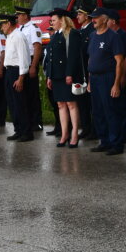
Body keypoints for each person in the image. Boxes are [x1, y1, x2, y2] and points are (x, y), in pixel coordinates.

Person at [87, 7, 126, 156]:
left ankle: (116, 143)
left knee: (111, 110)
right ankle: (104, 141)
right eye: (92, 17)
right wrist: (90, 80)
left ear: (104, 19)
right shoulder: (92, 36)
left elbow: (119, 61)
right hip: (95, 78)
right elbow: (91, 58)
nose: (93, 20)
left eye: (96, 17)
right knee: (98, 112)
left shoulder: (113, 36)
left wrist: (116, 83)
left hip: (107, 77)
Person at [45, 8, 83, 148]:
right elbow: (51, 58)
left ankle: (74, 133)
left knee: (71, 104)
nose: (52, 23)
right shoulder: (55, 35)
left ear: (62, 20)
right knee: (61, 104)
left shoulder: (72, 34)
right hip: (56, 75)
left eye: (54, 20)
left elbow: (73, 57)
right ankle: (64, 133)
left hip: (67, 75)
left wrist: (69, 74)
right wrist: (49, 76)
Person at [1, 14, 35, 141]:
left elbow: (23, 58)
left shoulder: (19, 36)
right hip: (9, 71)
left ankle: (26, 132)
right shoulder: (10, 36)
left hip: (17, 72)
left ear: (9, 24)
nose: (1, 27)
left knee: (20, 103)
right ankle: (18, 130)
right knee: (12, 103)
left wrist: (21, 78)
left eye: (3, 24)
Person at [15, 6, 44, 132]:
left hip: (31, 60)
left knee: (32, 93)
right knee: (24, 93)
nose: (17, 18)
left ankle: (36, 122)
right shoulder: (20, 28)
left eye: (19, 15)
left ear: (25, 16)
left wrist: (33, 66)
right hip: (22, 61)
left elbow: (37, 47)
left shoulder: (33, 28)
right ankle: (27, 120)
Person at [106, 9, 126, 148]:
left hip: (121, 75)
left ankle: (123, 136)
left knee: (122, 107)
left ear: (113, 21)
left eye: (108, 20)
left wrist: (122, 75)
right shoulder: (110, 35)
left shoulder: (122, 35)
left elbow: (125, 58)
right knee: (114, 107)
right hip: (112, 74)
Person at [74, 6, 96, 141]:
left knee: (91, 103)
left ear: (87, 16)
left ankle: (94, 130)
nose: (77, 17)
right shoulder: (80, 31)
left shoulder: (91, 31)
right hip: (80, 71)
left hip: (88, 70)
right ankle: (86, 128)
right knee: (82, 103)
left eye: (80, 15)